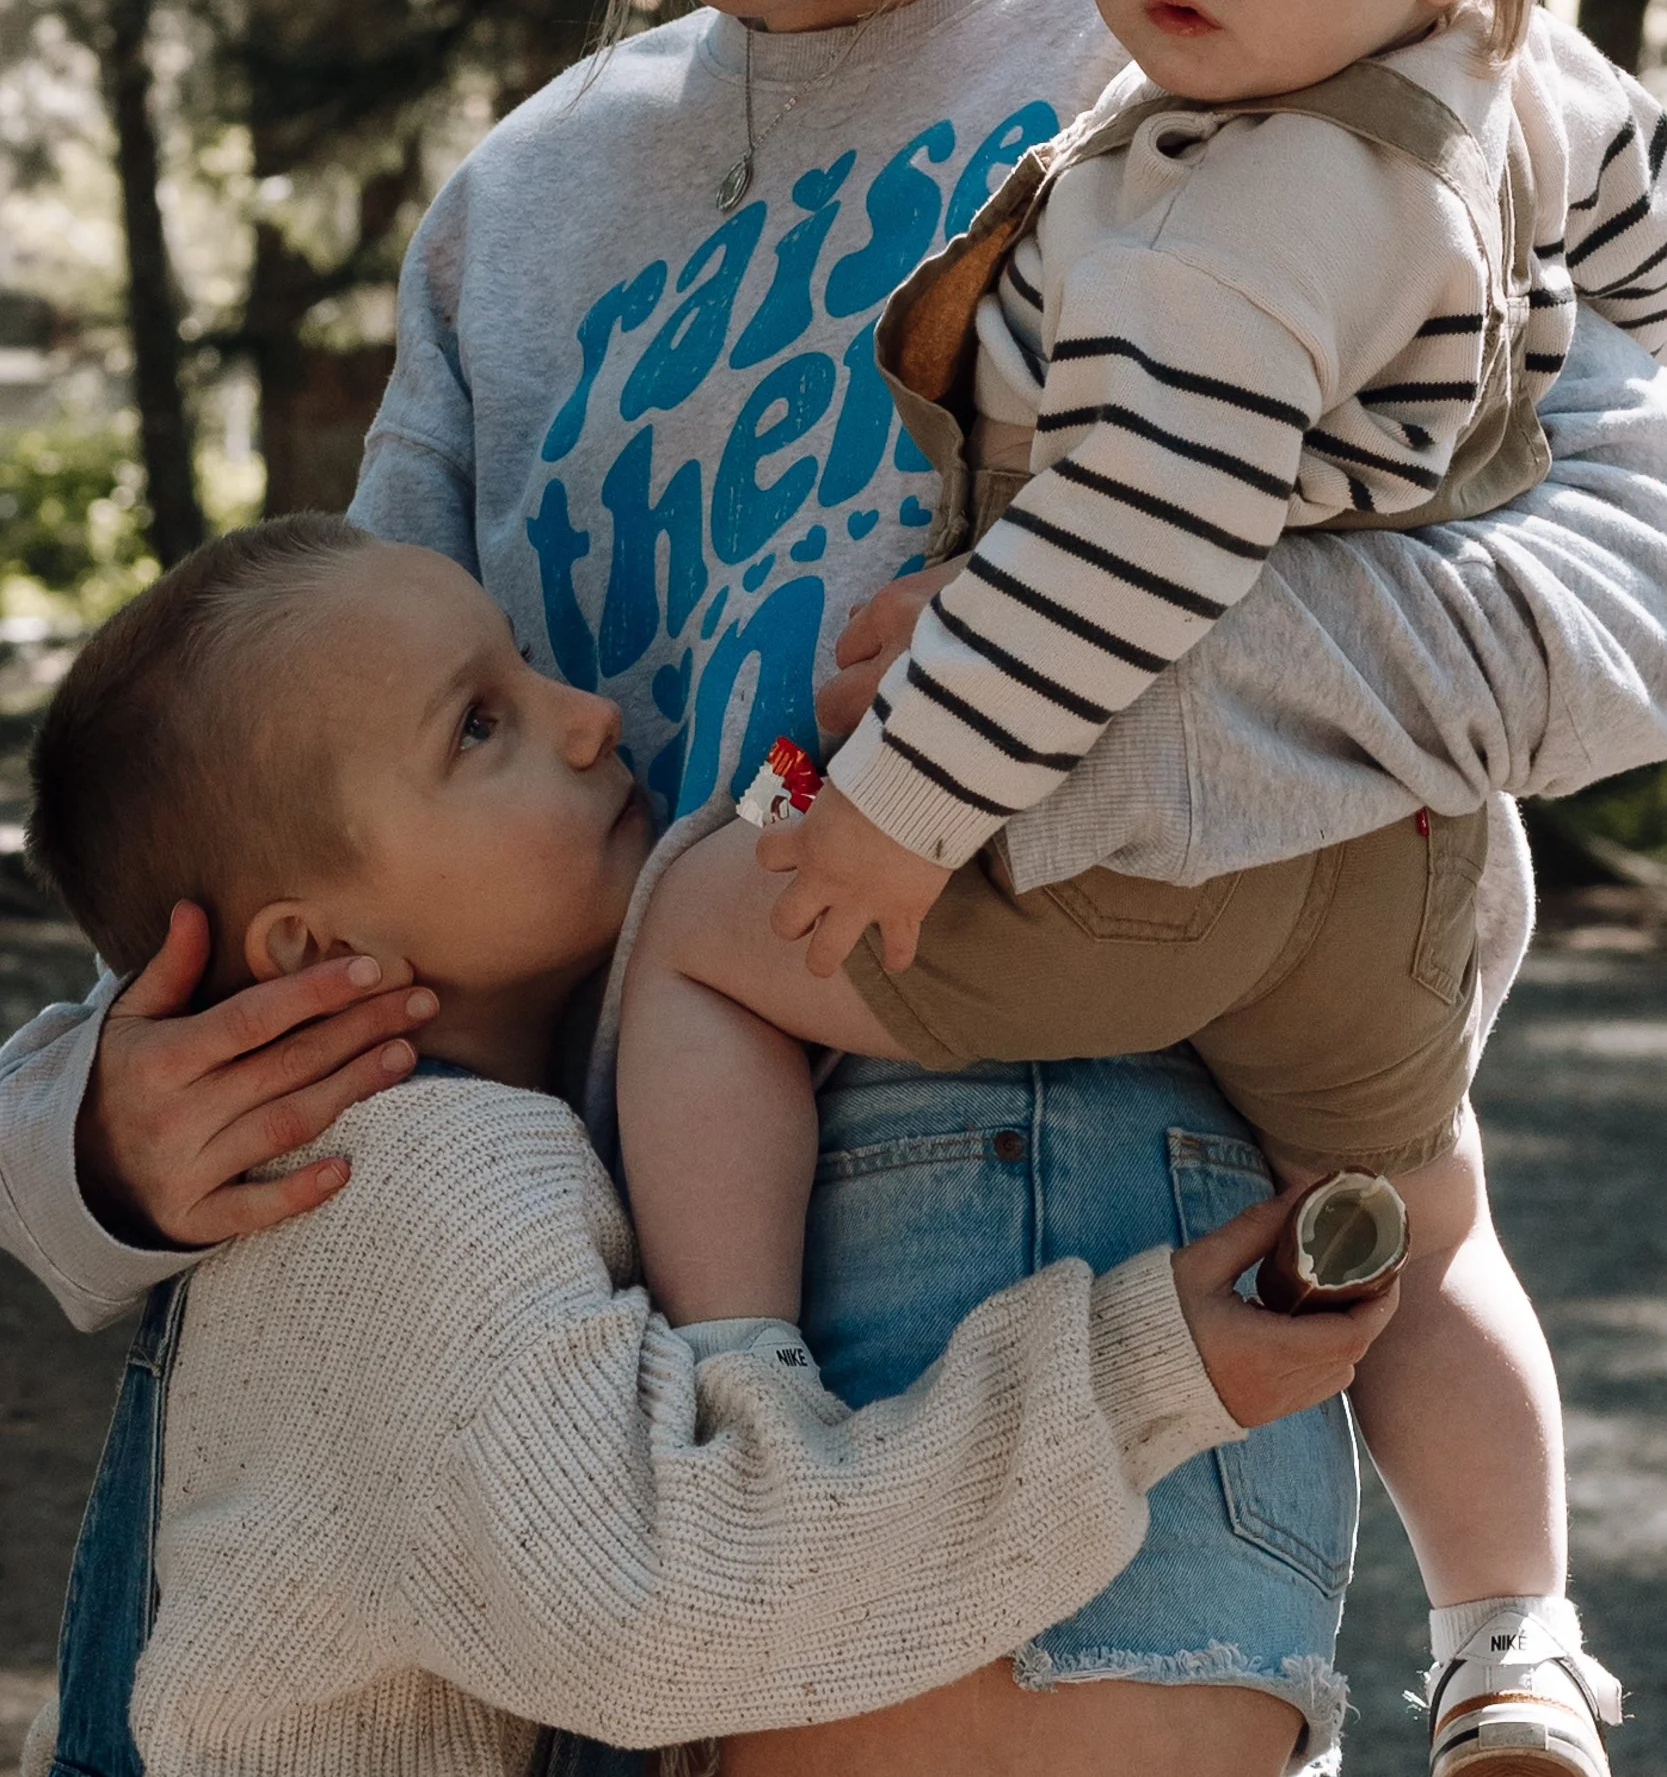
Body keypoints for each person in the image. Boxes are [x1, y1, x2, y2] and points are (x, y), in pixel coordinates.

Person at [1, 0, 1665, 1777]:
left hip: (1079, 1197)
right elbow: (329, 771)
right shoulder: (528, 205)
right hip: (583, 1385)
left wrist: (1111, 697)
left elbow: (1628, 570)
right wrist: (94, 1141)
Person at [615, 0, 1653, 1777]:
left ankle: (730, 1381)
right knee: (1426, 1210)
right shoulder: (1498, 72)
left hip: (1128, 843)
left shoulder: (1238, 226)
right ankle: (1508, 1632)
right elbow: (1637, 204)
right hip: (1384, 864)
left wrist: (891, 813)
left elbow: (1126, 544)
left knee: (700, 932)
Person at [20, 516, 1388, 1777]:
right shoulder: (409, 1198)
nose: (591, 718)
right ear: (317, 951)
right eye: (479, 725)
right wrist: (1142, 1372)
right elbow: (661, 1608)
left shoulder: (376, 1187)